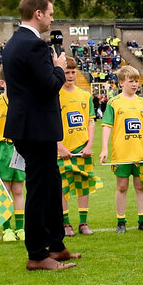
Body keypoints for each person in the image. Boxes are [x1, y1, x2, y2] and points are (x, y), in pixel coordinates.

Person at [1, 0, 77, 271]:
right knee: (39, 189)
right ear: (38, 14)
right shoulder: (33, 45)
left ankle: (56, 245)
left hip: (29, 126)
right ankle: (37, 254)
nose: (52, 18)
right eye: (50, 13)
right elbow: (48, 85)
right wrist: (58, 68)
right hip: (36, 128)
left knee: (51, 183)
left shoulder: (15, 43)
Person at [98, 66, 143, 232]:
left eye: (137, 81)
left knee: (140, 186)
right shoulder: (114, 103)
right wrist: (104, 149)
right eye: (131, 81)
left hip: (141, 153)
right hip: (122, 153)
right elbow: (107, 126)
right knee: (122, 186)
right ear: (121, 82)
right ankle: (121, 221)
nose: (135, 84)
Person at [0, 68, 25, 242]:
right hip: (2, 149)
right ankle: (6, 229)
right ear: (2, 83)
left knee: (18, 189)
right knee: (5, 190)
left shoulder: (24, 102)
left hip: (20, 149)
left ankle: (21, 228)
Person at [57, 57, 95, 236]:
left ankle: (83, 222)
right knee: (63, 188)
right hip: (63, 150)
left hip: (82, 149)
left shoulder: (85, 95)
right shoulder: (54, 95)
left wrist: (89, 145)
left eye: (73, 72)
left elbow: (90, 122)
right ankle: (65, 224)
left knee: (83, 186)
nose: (70, 75)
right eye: (67, 72)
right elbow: (50, 123)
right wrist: (59, 146)